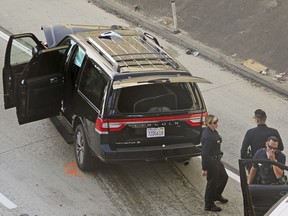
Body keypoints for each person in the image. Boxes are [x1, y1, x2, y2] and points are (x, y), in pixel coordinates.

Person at [201, 114, 228, 212]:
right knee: (212, 183)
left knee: (224, 177)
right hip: (211, 162)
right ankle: (208, 205)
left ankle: (217, 195)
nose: (217, 124)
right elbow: (204, 154)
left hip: (217, 160)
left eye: (217, 121)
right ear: (208, 124)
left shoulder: (212, 131)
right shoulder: (208, 137)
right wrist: (204, 168)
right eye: (214, 122)